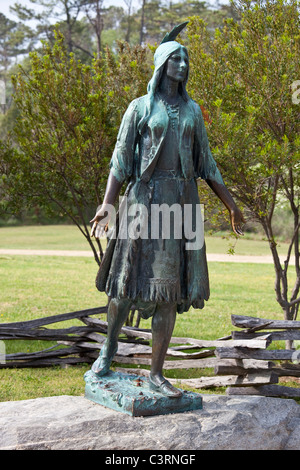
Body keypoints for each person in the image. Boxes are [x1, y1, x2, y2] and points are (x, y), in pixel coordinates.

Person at [89, 23, 244, 398]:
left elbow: (207, 162)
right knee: (124, 286)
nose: (184, 63)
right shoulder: (140, 108)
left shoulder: (192, 110)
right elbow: (120, 159)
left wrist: (232, 205)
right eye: (176, 58)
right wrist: (108, 204)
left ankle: (157, 373)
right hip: (143, 202)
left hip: (180, 205)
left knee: (168, 293)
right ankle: (107, 353)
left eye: (186, 58)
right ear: (161, 65)